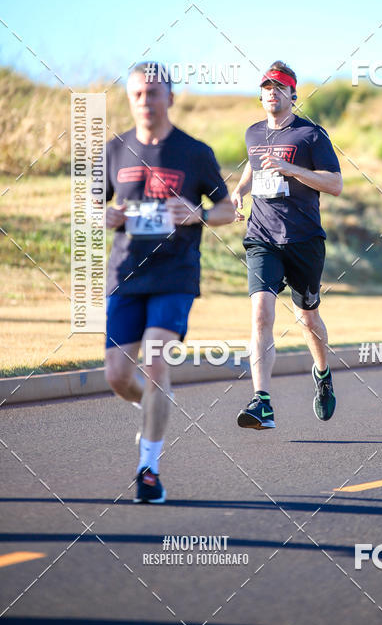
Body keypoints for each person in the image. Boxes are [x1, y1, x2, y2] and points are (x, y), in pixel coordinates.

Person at [104, 62, 235, 501]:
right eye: (138, 94)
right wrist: (104, 215)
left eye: (154, 93)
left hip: (175, 274)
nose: (146, 101)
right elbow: (88, 207)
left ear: (170, 98)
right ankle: (154, 407)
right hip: (125, 275)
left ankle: (149, 470)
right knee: (118, 376)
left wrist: (199, 213)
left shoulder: (194, 152)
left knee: (156, 361)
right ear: (130, 99)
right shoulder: (114, 150)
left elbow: (228, 209)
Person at [231, 61, 343, 430]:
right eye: (266, 87)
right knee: (261, 313)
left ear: (293, 95)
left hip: (304, 238)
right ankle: (261, 402)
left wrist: (292, 169)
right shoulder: (253, 132)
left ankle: (322, 374)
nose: (272, 93)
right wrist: (239, 190)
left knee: (307, 316)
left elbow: (335, 184)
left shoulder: (311, 135)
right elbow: (253, 165)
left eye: (279, 87)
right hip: (262, 237)